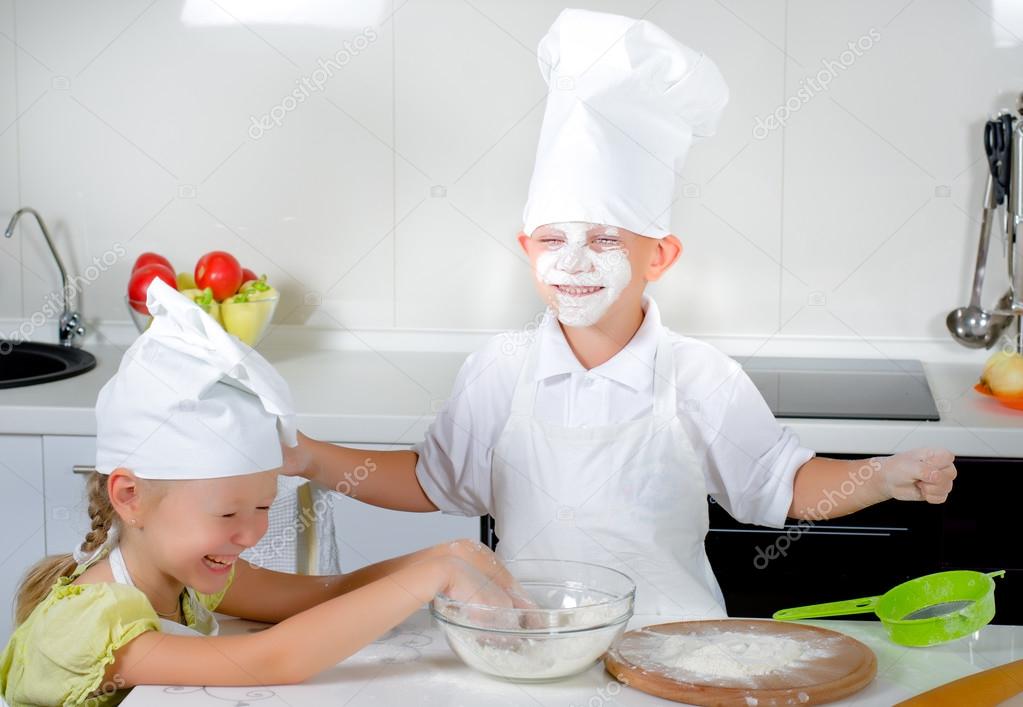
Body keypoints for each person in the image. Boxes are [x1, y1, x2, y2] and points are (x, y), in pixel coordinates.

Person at [282, 8, 957, 620]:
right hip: (530, 642)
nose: (573, 261)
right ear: (526, 249)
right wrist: (308, 456)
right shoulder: (500, 370)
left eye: (604, 238)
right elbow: (432, 481)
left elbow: (785, 485)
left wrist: (886, 473)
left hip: (674, 645)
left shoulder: (697, 377)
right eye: (552, 239)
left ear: (658, 255)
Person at [0, 280, 523, 706]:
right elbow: (273, 660)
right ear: (131, 497)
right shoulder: (89, 627)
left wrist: (445, 553)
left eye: (263, 506)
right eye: (228, 511)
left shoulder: (188, 577)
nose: (250, 533)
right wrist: (434, 577)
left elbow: (327, 594)